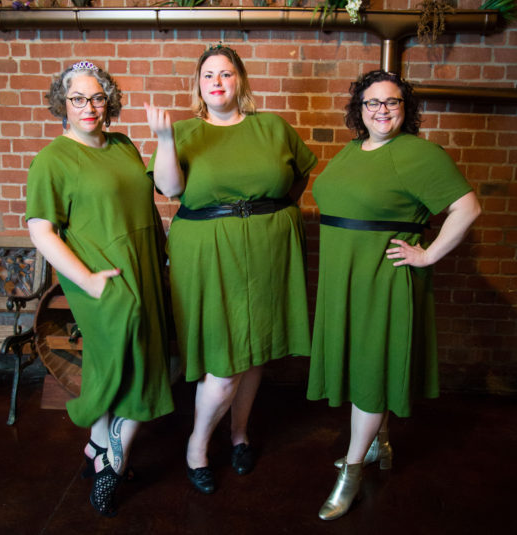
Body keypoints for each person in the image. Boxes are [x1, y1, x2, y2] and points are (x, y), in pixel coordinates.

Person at [307, 70, 481, 520]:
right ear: (359, 110)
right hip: (344, 277)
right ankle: (377, 445)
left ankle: (351, 470)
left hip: (381, 278)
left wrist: (429, 255)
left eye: (392, 102)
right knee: (368, 365)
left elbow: (467, 207)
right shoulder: (350, 150)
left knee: (370, 368)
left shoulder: (418, 153)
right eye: (372, 103)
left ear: (405, 108)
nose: (382, 110)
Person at [145, 44, 317, 494]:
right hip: (207, 252)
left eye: (225, 73)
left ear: (240, 80)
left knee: (255, 349)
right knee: (224, 362)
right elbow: (169, 188)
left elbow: (301, 174)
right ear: (199, 85)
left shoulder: (273, 127)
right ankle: (197, 446)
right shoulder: (183, 131)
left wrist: (275, 215)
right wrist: (164, 140)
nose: (217, 81)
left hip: (266, 252)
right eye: (208, 75)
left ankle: (239, 433)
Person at [26, 61, 174, 517]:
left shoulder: (125, 145)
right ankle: (114, 460)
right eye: (77, 99)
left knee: (142, 355)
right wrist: (86, 279)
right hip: (99, 279)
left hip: (144, 269)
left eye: (96, 97)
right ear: (62, 104)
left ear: (108, 101)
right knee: (131, 360)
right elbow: (41, 230)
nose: (88, 107)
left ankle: (95, 447)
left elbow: (158, 198)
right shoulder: (52, 159)